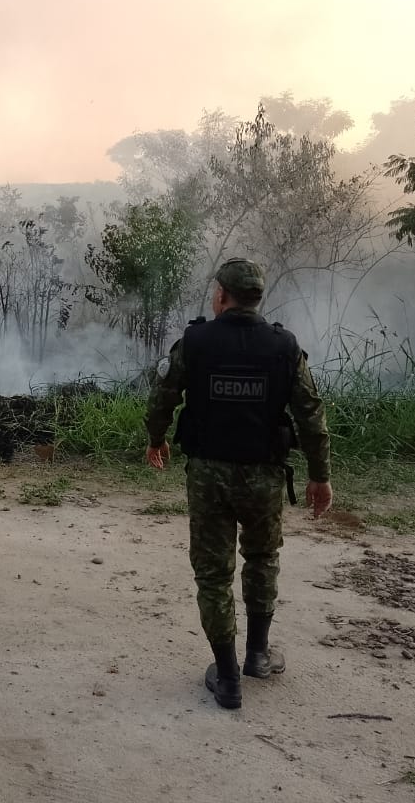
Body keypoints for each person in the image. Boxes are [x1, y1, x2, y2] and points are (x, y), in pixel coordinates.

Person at [143, 258, 332, 710]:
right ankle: (259, 656)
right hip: (264, 476)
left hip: (208, 476)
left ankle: (227, 679)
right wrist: (320, 476)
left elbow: (162, 397)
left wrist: (156, 439)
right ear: (256, 298)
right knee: (262, 558)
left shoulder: (195, 342)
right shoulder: (283, 346)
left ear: (222, 296)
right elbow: (311, 415)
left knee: (213, 574)